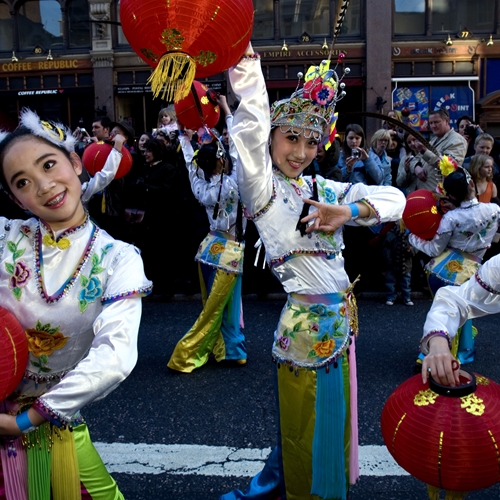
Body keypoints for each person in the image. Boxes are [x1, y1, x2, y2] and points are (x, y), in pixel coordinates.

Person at [221, 44, 405, 500]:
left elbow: (395, 201)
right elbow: (250, 125)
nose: (301, 151)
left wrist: (348, 210)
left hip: (341, 325)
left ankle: (278, 483)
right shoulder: (261, 190)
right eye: (290, 138)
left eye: (310, 141)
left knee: (326, 422)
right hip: (304, 330)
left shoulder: (322, 187)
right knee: (306, 430)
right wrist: (244, 62)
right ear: (272, 138)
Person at [0, 109, 152, 497]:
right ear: (16, 199)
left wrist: (25, 421)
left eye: (49, 164)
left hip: (52, 425)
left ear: (73, 161)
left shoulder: (119, 259)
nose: (44, 186)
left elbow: (115, 355)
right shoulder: (7, 239)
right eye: (23, 182)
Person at [168, 97, 246, 372]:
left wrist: (183, 136)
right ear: (220, 162)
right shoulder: (233, 183)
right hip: (231, 250)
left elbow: (191, 164)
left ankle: (223, 347)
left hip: (209, 247)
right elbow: (235, 145)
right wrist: (226, 111)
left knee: (213, 304)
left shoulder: (201, 186)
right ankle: (219, 349)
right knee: (227, 304)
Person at [409, 169, 500, 364]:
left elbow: (434, 249)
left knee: (445, 309)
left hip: (444, 271)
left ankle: (432, 352)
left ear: (450, 195)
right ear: (472, 185)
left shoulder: (451, 218)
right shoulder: (494, 210)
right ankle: (463, 352)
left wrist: (413, 238)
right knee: (465, 310)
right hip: (476, 270)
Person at [421, 252, 500, 387]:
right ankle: (454, 354)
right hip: (473, 268)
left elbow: (435, 248)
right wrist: (438, 343)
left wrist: (415, 239)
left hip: (451, 267)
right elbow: (455, 300)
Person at [412, 109, 467, 192]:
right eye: (431, 123)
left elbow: (450, 166)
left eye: (436, 122)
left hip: (440, 196)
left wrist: (425, 151)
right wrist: (416, 167)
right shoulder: (433, 140)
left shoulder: (457, 140)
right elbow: (416, 158)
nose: (433, 126)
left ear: (447, 121)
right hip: (425, 193)